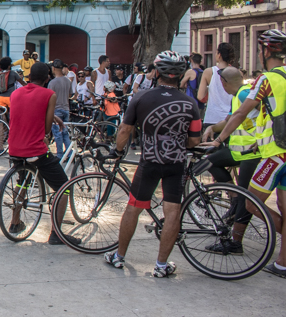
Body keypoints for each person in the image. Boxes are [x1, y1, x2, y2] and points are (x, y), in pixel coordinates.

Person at [104, 51, 201, 277]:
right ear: (179, 75)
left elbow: (125, 130)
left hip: (149, 162)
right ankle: (161, 265)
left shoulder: (141, 98)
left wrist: (118, 151)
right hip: (176, 163)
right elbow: (195, 140)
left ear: (156, 72)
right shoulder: (190, 103)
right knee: (173, 211)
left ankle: (119, 256)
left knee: (134, 207)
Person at [208, 29, 286, 278]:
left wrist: (218, 139)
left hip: (276, 154)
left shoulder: (266, 79)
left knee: (251, 203)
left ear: (265, 51)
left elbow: (241, 114)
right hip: (276, 150)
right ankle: (282, 264)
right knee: (283, 207)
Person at [7, 62, 75, 244]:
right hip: (35, 150)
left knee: (22, 183)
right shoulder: (49, 94)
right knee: (64, 187)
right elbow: (46, 129)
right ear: (47, 79)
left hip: (15, 149)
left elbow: (27, 111)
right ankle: (56, 234)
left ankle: (15, 222)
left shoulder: (16, 93)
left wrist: (53, 117)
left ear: (29, 77)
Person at [198, 66, 260, 254]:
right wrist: (212, 128)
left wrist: (261, 137)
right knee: (210, 160)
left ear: (223, 83)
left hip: (250, 152)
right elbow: (230, 120)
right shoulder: (238, 95)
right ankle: (233, 196)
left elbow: (267, 112)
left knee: (245, 198)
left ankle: (235, 242)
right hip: (239, 151)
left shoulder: (245, 94)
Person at [198, 42, 237, 131]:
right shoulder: (236, 73)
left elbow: (200, 96)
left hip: (212, 117)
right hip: (230, 119)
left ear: (219, 55)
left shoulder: (209, 72)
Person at [48, 59, 73, 157]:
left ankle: (59, 155)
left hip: (56, 110)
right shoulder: (68, 81)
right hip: (66, 108)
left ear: (53, 68)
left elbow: (49, 97)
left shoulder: (52, 83)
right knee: (65, 133)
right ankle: (69, 154)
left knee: (58, 134)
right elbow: (70, 94)